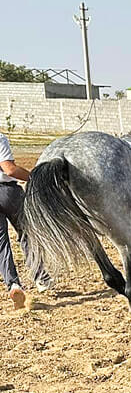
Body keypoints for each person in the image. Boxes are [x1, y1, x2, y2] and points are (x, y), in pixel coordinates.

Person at [0, 131, 50, 310]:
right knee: (28, 232)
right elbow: (9, 169)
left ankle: (13, 285)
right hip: (7, 192)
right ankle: (41, 277)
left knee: (1, 244)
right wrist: (34, 177)